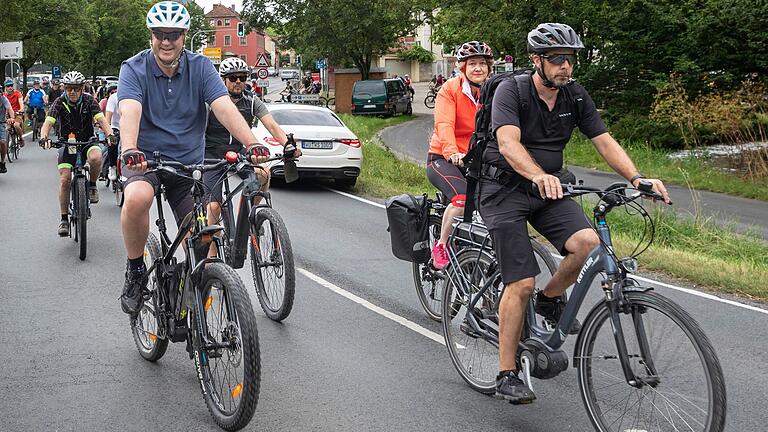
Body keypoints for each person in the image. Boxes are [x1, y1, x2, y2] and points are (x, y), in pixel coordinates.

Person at [478, 23, 671, 403]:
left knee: (587, 242)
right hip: (504, 190)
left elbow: (604, 140)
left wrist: (636, 178)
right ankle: (506, 372)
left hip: (550, 188)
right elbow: (507, 143)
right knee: (521, 283)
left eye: (571, 59)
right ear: (537, 61)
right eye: (557, 59)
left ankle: (550, 299)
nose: (566, 66)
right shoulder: (510, 91)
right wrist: (537, 174)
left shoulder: (574, 96)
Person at [117, 1, 297, 316]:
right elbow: (129, 108)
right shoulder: (133, 68)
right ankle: (134, 272)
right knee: (136, 197)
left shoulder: (201, 68)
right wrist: (130, 147)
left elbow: (223, 106)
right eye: (159, 34)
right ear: (151, 36)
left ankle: (189, 299)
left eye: (173, 34)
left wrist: (252, 142)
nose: (166, 41)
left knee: (202, 242)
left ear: (184, 36)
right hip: (146, 162)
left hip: (188, 167)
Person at [203, 57, 290, 243]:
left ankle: (250, 214)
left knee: (263, 174)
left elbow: (272, 126)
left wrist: (287, 145)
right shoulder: (212, 102)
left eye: (242, 78)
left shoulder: (251, 101)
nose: (238, 82)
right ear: (223, 79)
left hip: (238, 150)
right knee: (214, 208)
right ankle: (209, 260)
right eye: (233, 78)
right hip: (210, 153)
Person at [426, 41, 494, 269]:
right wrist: (452, 151)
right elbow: (444, 123)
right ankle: (442, 245)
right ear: (463, 67)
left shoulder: (494, 91)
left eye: (482, 64)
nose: (478, 68)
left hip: (476, 159)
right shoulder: (450, 89)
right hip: (443, 158)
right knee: (463, 198)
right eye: (472, 63)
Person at [39, 71, 114, 236]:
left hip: (88, 141)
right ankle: (64, 219)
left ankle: (93, 185)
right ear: (65, 88)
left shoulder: (89, 100)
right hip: (66, 143)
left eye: (76, 88)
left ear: (82, 88)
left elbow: (102, 121)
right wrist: (44, 137)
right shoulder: (59, 102)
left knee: (96, 157)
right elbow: (48, 122)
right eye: (69, 88)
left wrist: (110, 135)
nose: (72, 92)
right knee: (65, 180)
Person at [103, 83, 120, 181]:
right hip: (116, 127)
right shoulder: (113, 98)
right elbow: (108, 114)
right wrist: (107, 130)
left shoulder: (133, 96)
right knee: (113, 142)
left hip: (129, 127)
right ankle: (112, 166)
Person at [4, 79, 24, 144]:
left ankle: (20, 139)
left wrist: (21, 109)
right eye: (8, 86)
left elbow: (21, 102)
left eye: (11, 85)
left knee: (16, 125)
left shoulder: (17, 93)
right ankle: (10, 140)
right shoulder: (3, 95)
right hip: (7, 114)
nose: (10, 87)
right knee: (7, 128)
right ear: (5, 87)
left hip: (17, 113)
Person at [0, 92, 16, 173]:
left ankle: (2, 162)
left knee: (2, 142)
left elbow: (9, 108)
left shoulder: (3, 99)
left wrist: (12, 118)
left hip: (0, 123)